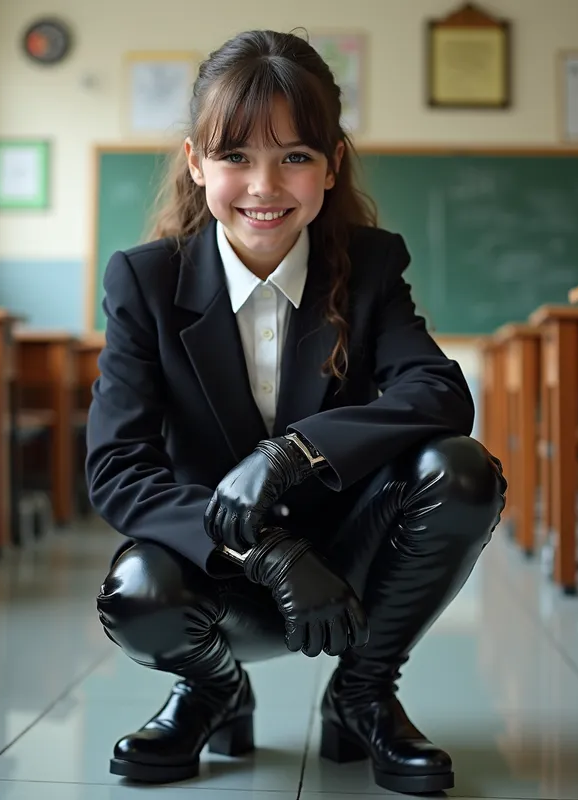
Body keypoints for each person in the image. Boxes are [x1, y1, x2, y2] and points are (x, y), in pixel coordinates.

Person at [87, 28, 506, 796]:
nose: (264, 186)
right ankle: (211, 692)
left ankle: (363, 694)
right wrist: (268, 552)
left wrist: (295, 452)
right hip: (218, 564)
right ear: (195, 163)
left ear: (331, 165)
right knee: (137, 592)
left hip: (351, 557)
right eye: (236, 157)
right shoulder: (144, 283)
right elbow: (118, 471)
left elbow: (439, 393)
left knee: (463, 470)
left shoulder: (372, 264)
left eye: (295, 157)